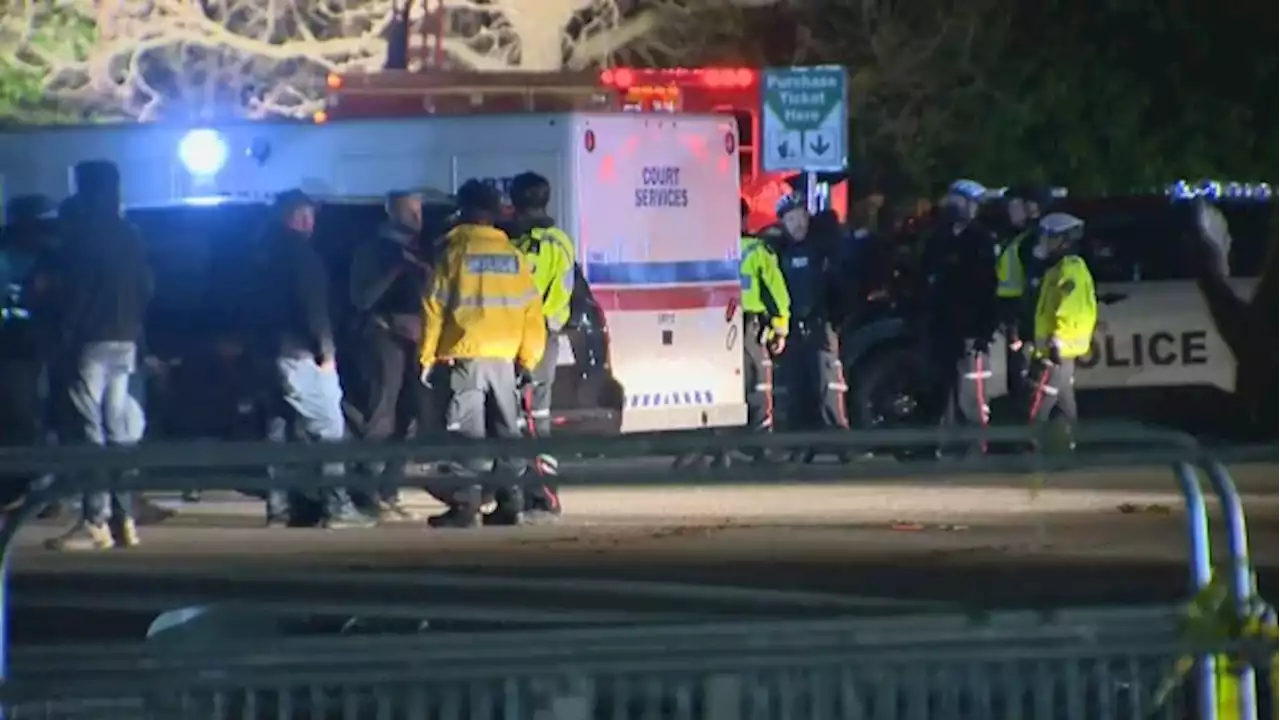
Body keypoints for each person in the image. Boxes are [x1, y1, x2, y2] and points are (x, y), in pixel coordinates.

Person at [418, 179, 545, 529]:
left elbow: (434, 309)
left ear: (464, 211)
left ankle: (466, 508)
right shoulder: (513, 256)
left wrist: (427, 358)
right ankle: (511, 504)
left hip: (466, 358)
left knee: (466, 434)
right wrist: (527, 359)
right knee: (508, 434)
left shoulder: (454, 253)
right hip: (505, 360)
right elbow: (532, 313)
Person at [44, 161, 153, 551]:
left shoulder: (82, 235)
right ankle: (125, 520)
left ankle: (96, 521)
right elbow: (146, 288)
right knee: (118, 428)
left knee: (90, 431)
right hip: (126, 339)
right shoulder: (130, 233)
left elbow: (75, 293)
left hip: (90, 340)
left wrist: (66, 332)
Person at [257, 189, 372, 530]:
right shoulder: (301, 255)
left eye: (311, 215)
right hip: (302, 353)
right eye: (302, 215)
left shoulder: (262, 253)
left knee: (280, 430)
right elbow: (314, 309)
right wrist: (326, 352)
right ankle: (337, 507)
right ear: (287, 217)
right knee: (329, 429)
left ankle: (282, 509)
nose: (309, 222)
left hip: (270, 352)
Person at [347, 190, 434, 521]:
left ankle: (388, 489)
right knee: (382, 414)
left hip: (419, 343)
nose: (417, 217)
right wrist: (397, 269)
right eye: (410, 210)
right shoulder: (373, 251)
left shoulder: (422, 252)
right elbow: (362, 299)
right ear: (391, 213)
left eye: (419, 210)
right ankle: (366, 493)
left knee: (410, 417)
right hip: (383, 339)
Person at [502, 171, 575, 519]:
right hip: (543, 336)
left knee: (532, 419)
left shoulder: (534, 246)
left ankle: (544, 498)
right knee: (525, 418)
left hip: (534, 339)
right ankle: (524, 495)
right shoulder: (560, 239)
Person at [764, 194, 850, 459]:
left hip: (820, 326)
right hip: (793, 330)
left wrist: (832, 317)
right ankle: (802, 446)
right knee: (797, 389)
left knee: (828, 385)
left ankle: (841, 445)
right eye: (790, 218)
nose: (797, 223)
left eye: (800, 216)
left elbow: (840, 287)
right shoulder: (780, 252)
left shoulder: (822, 249)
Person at [919, 179, 1000, 455]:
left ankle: (975, 447)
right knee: (943, 390)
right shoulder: (937, 239)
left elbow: (988, 288)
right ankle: (948, 447)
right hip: (941, 328)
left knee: (970, 392)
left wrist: (984, 329)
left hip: (970, 330)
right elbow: (925, 278)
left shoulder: (981, 240)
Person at [1025, 213, 1096, 444]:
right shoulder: (1063, 267)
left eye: (1049, 238)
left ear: (1063, 241)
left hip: (1056, 349)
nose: (1044, 243)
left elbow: (1068, 307)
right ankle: (1071, 444)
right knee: (1065, 400)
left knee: (1041, 398)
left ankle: (1031, 444)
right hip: (1061, 349)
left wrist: (1056, 340)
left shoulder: (1068, 269)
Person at [738, 197, 791, 442]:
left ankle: (720, 444)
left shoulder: (712, 249)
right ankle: (761, 439)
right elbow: (776, 293)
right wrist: (780, 328)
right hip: (749, 325)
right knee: (758, 381)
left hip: (715, 326)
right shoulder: (757, 250)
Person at [995, 185, 1053, 403]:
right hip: (1014, 316)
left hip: (1024, 319)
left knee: (1028, 387)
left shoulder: (1033, 240)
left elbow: (1034, 286)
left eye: (1014, 205)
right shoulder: (1018, 237)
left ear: (1032, 208)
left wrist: (1020, 326)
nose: (1009, 210)